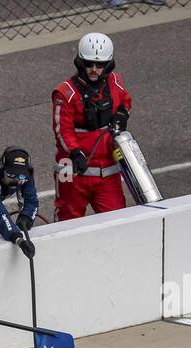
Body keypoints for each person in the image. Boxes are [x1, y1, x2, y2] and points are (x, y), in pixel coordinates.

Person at [52, 33, 133, 220]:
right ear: (80, 62)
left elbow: (125, 101)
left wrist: (122, 114)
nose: (94, 69)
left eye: (100, 65)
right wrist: (75, 152)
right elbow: (61, 129)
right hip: (72, 170)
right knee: (67, 222)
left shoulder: (115, 82)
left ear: (108, 65)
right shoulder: (65, 93)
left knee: (118, 221)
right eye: (89, 64)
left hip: (107, 171)